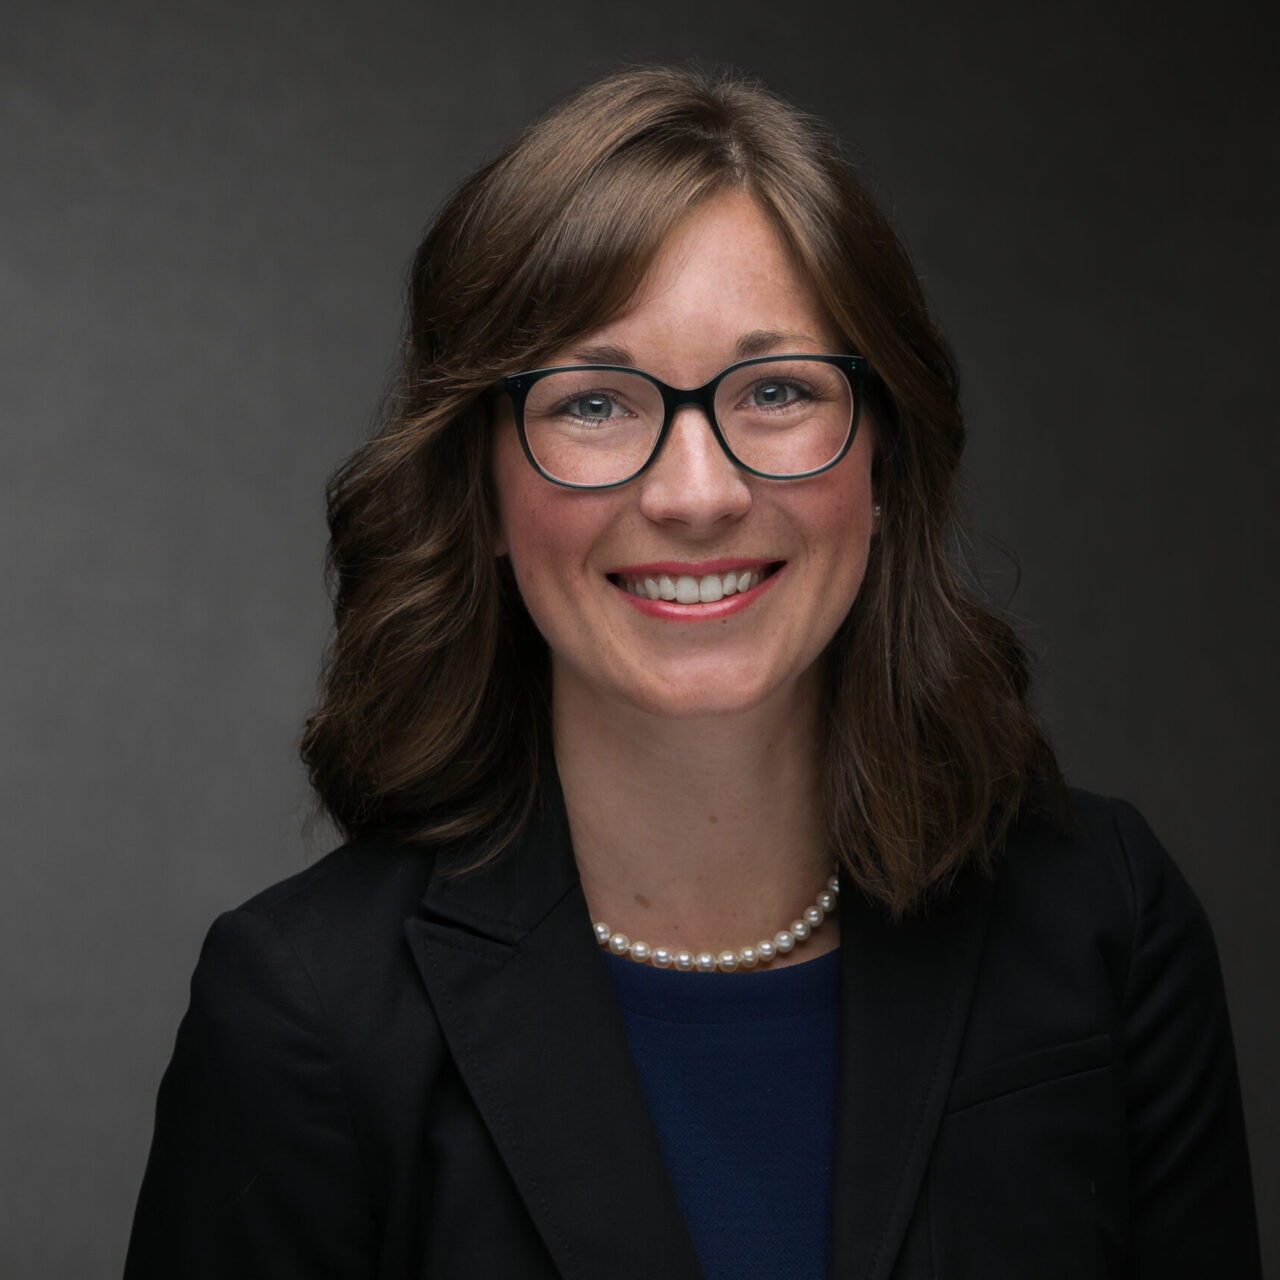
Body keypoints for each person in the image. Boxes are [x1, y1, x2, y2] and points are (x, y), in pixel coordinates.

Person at [123, 66, 1261, 1279]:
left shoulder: (1103, 924)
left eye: (775, 391)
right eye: (595, 403)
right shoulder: (302, 1011)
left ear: (883, 461)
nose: (697, 493)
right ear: (484, 493)